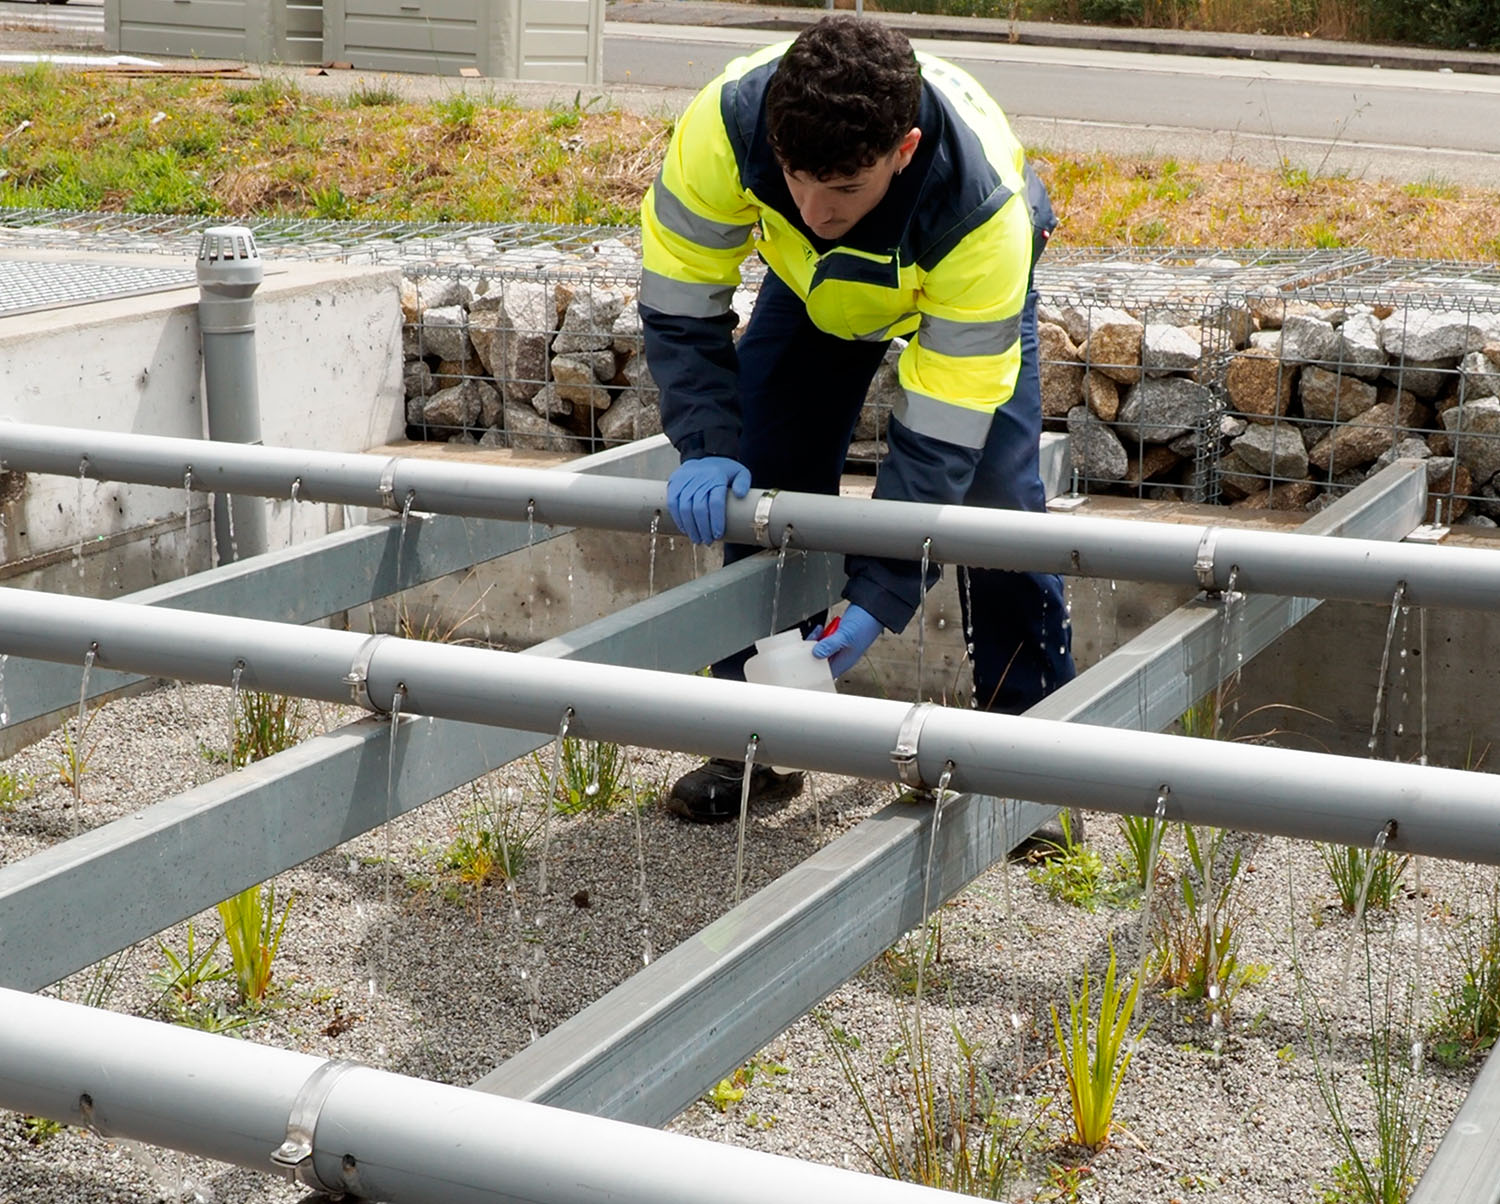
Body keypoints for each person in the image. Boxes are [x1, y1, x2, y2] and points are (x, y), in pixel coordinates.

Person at [639, 14, 1075, 823]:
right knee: (761, 472)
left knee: (1000, 511)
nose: (813, 208)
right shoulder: (726, 127)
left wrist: (879, 590)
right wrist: (706, 441)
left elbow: (941, 428)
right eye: (796, 177)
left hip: (950, 288)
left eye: (843, 188)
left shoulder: (980, 213)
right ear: (774, 135)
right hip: (813, 290)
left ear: (903, 150)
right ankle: (759, 737)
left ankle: (1029, 764)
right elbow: (676, 301)